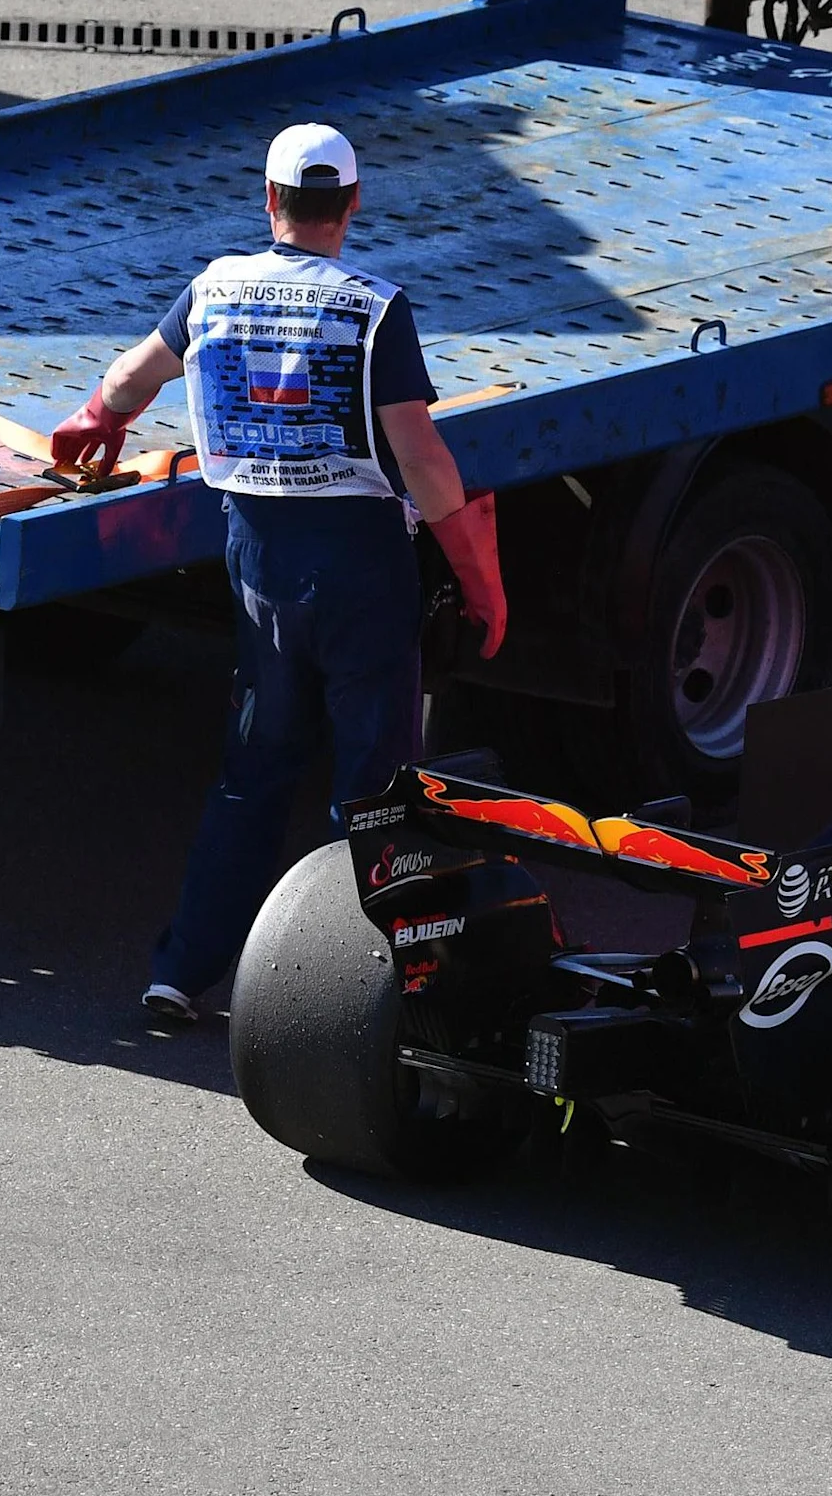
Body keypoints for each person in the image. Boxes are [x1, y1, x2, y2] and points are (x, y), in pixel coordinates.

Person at [49, 123, 506, 1023]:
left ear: (269, 200)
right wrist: (480, 580)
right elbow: (423, 464)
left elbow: (132, 376)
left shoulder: (213, 287)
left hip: (258, 562)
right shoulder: (375, 308)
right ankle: (365, 992)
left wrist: (96, 418)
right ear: (353, 204)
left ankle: (181, 973)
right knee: (374, 793)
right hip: (361, 565)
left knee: (253, 770)